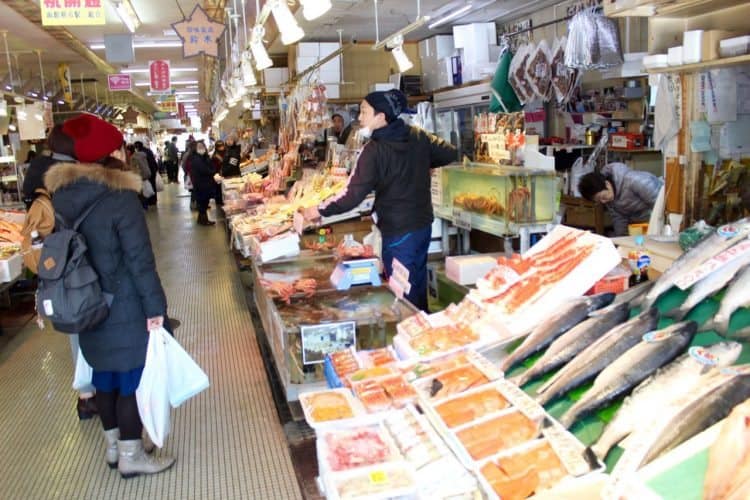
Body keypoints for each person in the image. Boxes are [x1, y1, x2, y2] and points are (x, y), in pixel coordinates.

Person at [44, 113, 175, 478]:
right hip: (126, 305)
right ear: (107, 153)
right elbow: (139, 260)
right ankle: (133, 456)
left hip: (86, 301)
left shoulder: (63, 195)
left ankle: (115, 447)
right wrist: (156, 308)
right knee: (130, 380)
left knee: (103, 376)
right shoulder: (119, 198)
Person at [302, 89, 457, 311]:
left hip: (398, 230)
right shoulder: (417, 135)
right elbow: (449, 153)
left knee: (402, 289)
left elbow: (352, 194)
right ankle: (422, 325)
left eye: (364, 112)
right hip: (422, 224)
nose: (359, 117)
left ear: (381, 117)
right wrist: (423, 164)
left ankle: (410, 332)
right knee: (416, 282)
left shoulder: (373, 150)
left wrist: (319, 210)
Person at [21, 124, 99, 420]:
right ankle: (95, 388)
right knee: (90, 319)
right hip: (78, 260)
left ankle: (85, 394)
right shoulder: (72, 176)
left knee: (74, 326)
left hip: (53, 267)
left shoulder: (36, 174)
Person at [578, 162, 663, 236]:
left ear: (607, 184)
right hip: (641, 228)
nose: (603, 201)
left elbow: (660, 205)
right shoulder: (610, 198)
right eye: (599, 201)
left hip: (658, 222)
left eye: (602, 197)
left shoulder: (635, 181)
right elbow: (619, 221)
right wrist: (622, 241)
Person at [190, 141, 216, 226]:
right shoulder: (196, 158)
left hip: (203, 183)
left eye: (202, 146)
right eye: (199, 147)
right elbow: (204, 170)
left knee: (203, 203)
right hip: (201, 184)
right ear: (195, 148)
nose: (202, 149)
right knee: (203, 203)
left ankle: (201, 219)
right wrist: (212, 171)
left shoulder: (201, 157)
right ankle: (204, 220)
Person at [135, 141, 159, 206]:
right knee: (152, 185)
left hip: (146, 172)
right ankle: (154, 200)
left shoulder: (139, 154)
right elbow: (153, 160)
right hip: (152, 170)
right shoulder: (148, 151)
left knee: (147, 186)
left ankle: (150, 201)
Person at [211, 140, 226, 207]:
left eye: (222, 146)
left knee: (223, 188)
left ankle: (222, 200)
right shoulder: (215, 155)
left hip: (224, 173)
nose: (222, 147)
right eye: (220, 146)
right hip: (218, 174)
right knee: (218, 188)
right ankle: (219, 201)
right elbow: (213, 166)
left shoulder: (225, 152)